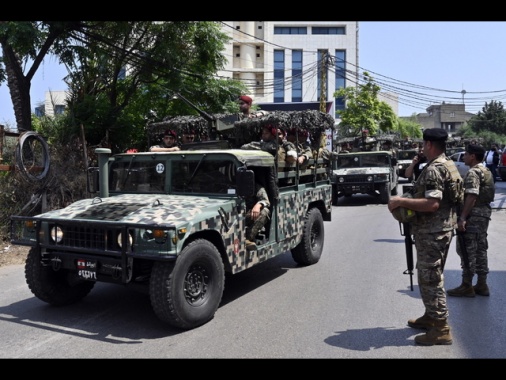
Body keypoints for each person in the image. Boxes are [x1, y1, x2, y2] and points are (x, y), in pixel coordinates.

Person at [388, 128, 463, 346]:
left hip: (433, 232)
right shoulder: (447, 163)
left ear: (429, 144)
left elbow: (432, 204)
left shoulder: (434, 169)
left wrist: (400, 201)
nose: (421, 148)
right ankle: (431, 315)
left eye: (423, 144)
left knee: (430, 278)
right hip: (440, 229)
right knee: (431, 275)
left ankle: (440, 328)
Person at [447, 144, 495, 297]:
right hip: (483, 215)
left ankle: (466, 285)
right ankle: (482, 284)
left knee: (467, 249)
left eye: (466, 154)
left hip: (473, 216)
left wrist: (462, 217)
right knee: (481, 249)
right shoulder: (485, 170)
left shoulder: (474, 173)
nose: (464, 157)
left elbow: (472, 196)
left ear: (473, 156)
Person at [244, 181, 271, 251]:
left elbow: (265, 201)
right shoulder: (227, 184)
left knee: (265, 211)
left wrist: (258, 205)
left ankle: (247, 238)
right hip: (234, 215)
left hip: (248, 215)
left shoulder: (254, 186)